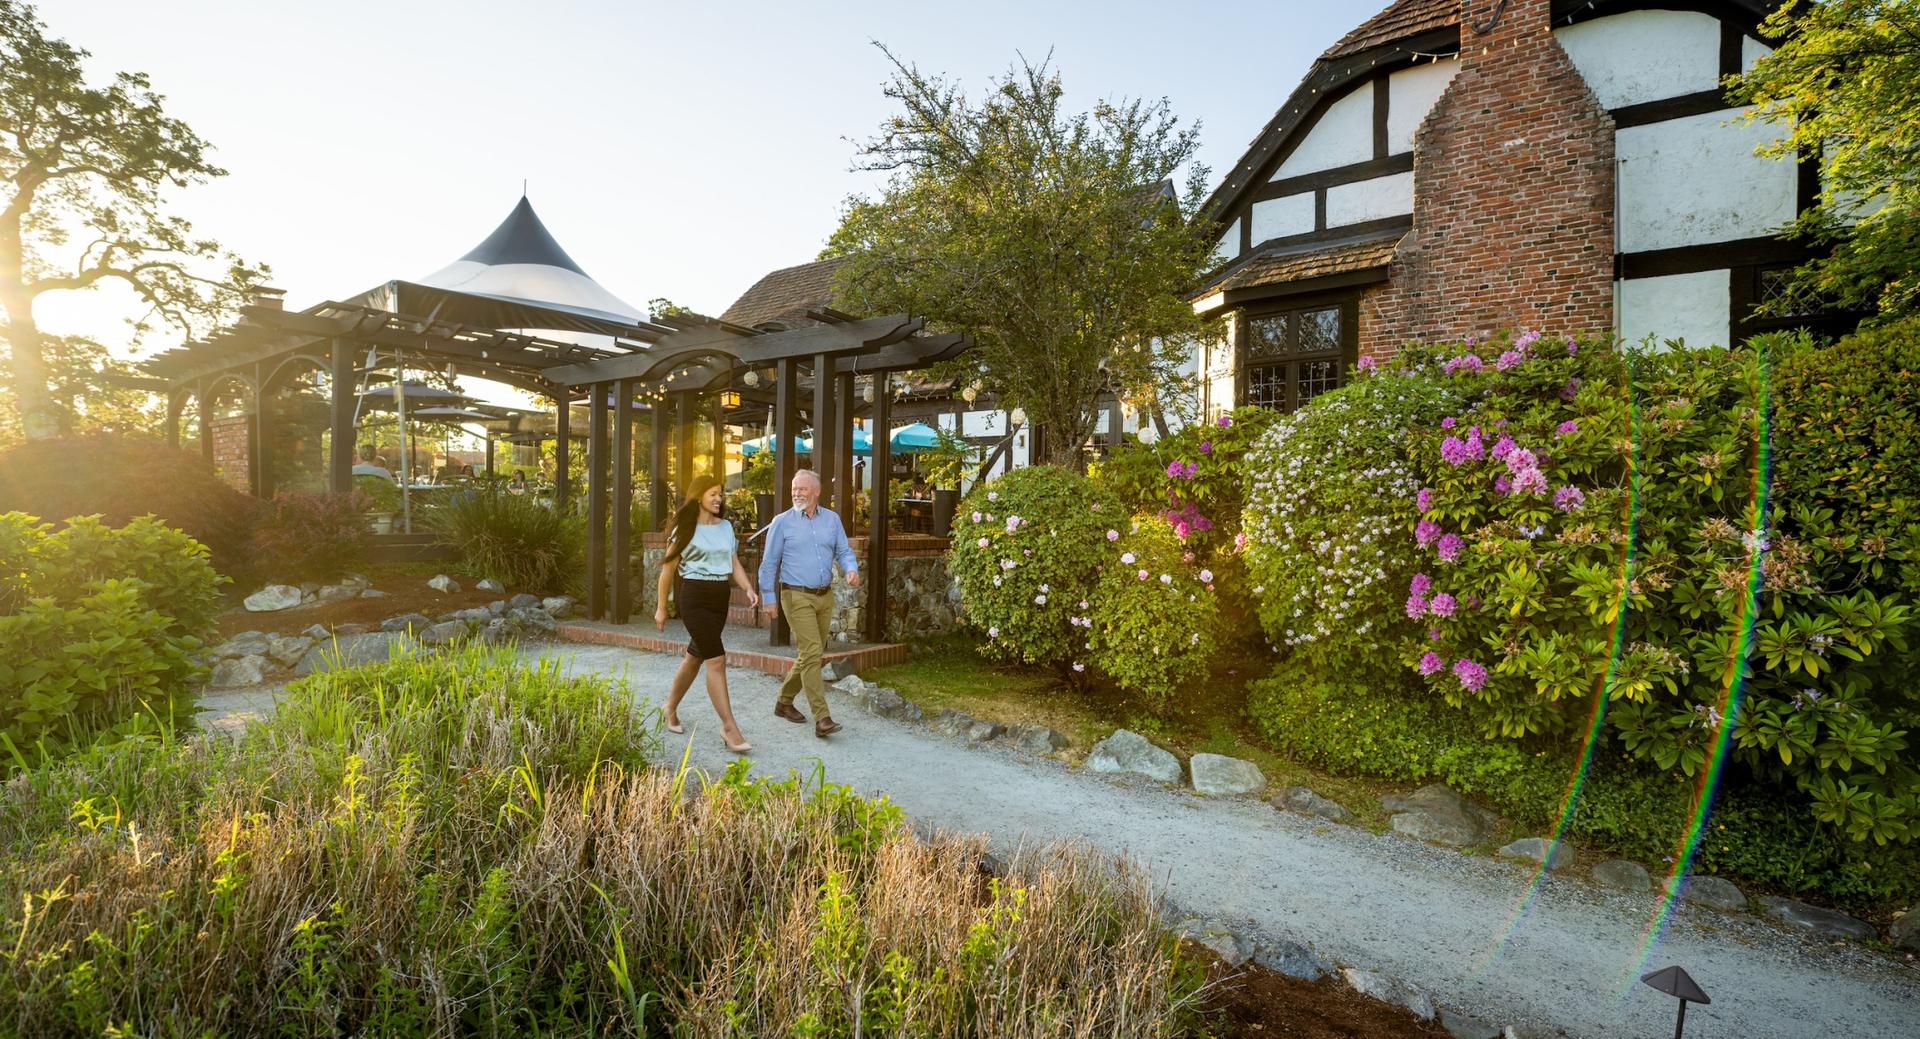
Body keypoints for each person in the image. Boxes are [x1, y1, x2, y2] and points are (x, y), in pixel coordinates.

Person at [656, 474, 761, 753]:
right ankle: (729, 727)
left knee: (695, 656)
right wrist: (661, 608)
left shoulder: (726, 527)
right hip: (694, 597)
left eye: (721, 494)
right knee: (716, 659)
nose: (719, 498)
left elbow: (733, 562)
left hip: (719, 597)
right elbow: (667, 570)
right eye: (713, 493)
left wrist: (748, 588)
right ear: (699, 495)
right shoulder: (685, 528)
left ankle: (669, 707)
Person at [758, 469, 859, 738]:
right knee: (813, 650)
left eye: (802, 489)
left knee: (809, 654)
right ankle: (822, 717)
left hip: (824, 595)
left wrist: (851, 568)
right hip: (795, 594)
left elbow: (843, 550)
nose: (796, 493)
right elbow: (769, 563)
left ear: (816, 492)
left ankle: (784, 701)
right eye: (794, 489)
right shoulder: (782, 522)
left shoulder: (832, 520)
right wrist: (769, 598)